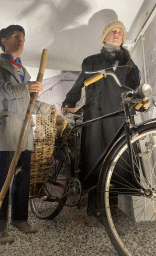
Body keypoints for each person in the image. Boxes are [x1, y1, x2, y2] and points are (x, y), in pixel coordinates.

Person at [61, 20, 150, 231]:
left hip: (120, 116)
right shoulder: (91, 61)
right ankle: (92, 210)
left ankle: (111, 208)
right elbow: (79, 84)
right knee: (95, 161)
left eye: (120, 31)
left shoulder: (129, 64)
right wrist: (68, 102)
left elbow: (134, 90)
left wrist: (142, 102)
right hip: (96, 117)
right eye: (113, 31)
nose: (117, 33)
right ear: (104, 36)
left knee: (118, 161)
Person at [0, 25, 56, 244]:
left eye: (23, 37)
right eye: (16, 36)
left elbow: (28, 102)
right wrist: (27, 88)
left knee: (23, 178)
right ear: (4, 40)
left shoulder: (25, 72)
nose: (21, 40)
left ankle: (19, 219)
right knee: (3, 179)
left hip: (25, 133)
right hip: (7, 131)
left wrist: (45, 108)